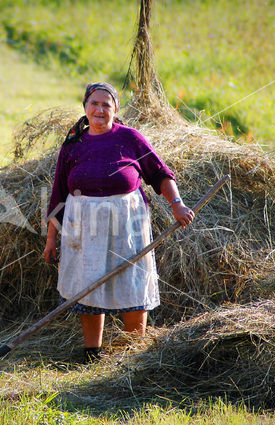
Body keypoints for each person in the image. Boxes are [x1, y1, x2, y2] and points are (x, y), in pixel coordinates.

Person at [43, 82, 194, 362]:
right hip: (83, 226)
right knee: (89, 283)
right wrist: (51, 239)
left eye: (106, 104)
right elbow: (59, 195)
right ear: (85, 107)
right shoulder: (72, 146)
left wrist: (177, 204)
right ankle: (92, 354)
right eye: (94, 104)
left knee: (133, 279)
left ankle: (134, 355)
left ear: (115, 109)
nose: (100, 109)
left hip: (128, 223)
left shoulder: (130, 138)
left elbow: (160, 173)